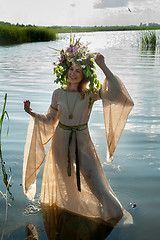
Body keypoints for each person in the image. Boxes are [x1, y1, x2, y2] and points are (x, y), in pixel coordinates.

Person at [23, 38, 134, 238]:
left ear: (83, 75)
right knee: (64, 182)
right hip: (60, 141)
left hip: (82, 141)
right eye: (71, 69)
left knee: (94, 179)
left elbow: (116, 94)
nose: (73, 73)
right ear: (66, 71)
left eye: (78, 71)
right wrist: (31, 113)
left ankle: (114, 214)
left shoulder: (89, 93)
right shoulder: (57, 93)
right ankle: (71, 213)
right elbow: (50, 119)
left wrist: (103, 66)